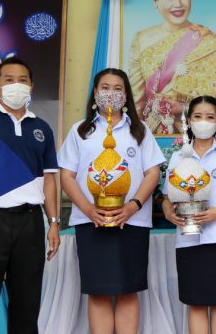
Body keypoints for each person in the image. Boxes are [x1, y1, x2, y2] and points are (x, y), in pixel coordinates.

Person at [58, 68, 165, 334]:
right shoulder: (80, 131)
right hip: (91, 222)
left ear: (126, 96)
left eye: (118, 89)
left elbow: (153, 173)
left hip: (132, 222)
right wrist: (88, 209)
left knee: (128, 290)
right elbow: (66, 175)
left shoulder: (139, 131)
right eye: (105, 88)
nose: (111, 93)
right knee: (99, 291)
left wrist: (132, 207)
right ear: (95, 93)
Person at [0, 56, 60, 334]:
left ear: (31, 87)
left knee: (27, 307)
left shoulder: (42, 128)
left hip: (30, 223)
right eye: (9, 80)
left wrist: (54, 222)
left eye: (23, 80)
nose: (16, 85)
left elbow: (49, 180)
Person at [162, 95, 216, 334]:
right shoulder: (179, 156)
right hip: (188, 240)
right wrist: (169, 214)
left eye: (210, 117)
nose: (203, 122)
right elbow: (167, 198)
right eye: (197, 116)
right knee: (196, 303)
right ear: (189, 121)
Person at [129, 0, 216, 135]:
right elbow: (135, 100)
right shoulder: (141, 40)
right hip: (151, 135)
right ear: (155, 2)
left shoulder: (212, 43)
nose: (178, 4)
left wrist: (185, 108)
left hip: (200, 134)